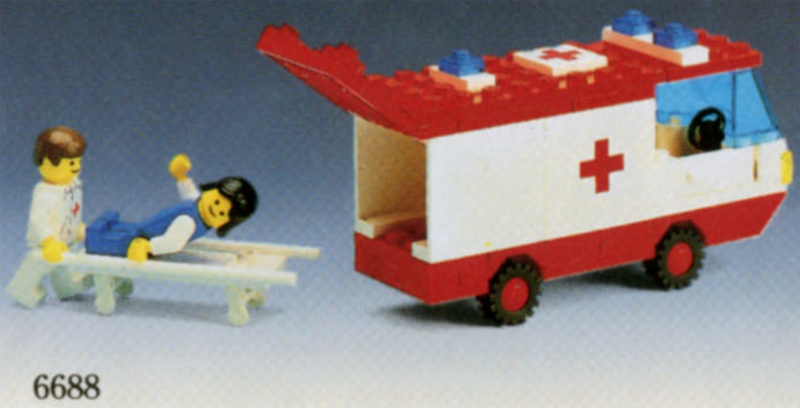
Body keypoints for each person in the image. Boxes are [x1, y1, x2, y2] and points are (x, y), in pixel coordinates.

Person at [85, 154, 258, 262]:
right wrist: (181, 177)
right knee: (109, 226)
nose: (215, 208)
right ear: (212, 189)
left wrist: (148, 247)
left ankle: (85, 235)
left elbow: (173, 243)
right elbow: (190, 196)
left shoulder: (188, 222)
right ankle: (84, 233)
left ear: (226, 223)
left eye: (221, 212)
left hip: (138, 240)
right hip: (139, 231)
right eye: (217, 201)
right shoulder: (197, 206)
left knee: (99, 237)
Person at [6, 126, 93, 307]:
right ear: (46, 162)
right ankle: (22, 290)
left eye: (78, 161)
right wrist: (48, 241)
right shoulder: (46, 194)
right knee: (37, 263)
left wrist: (77, 228)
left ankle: (66, 288)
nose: (77, 167)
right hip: (48, 244)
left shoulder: (72, 185)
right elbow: (39, 220)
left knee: (62, 268)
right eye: (71, 163)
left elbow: (71, 210)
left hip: (64, 241)